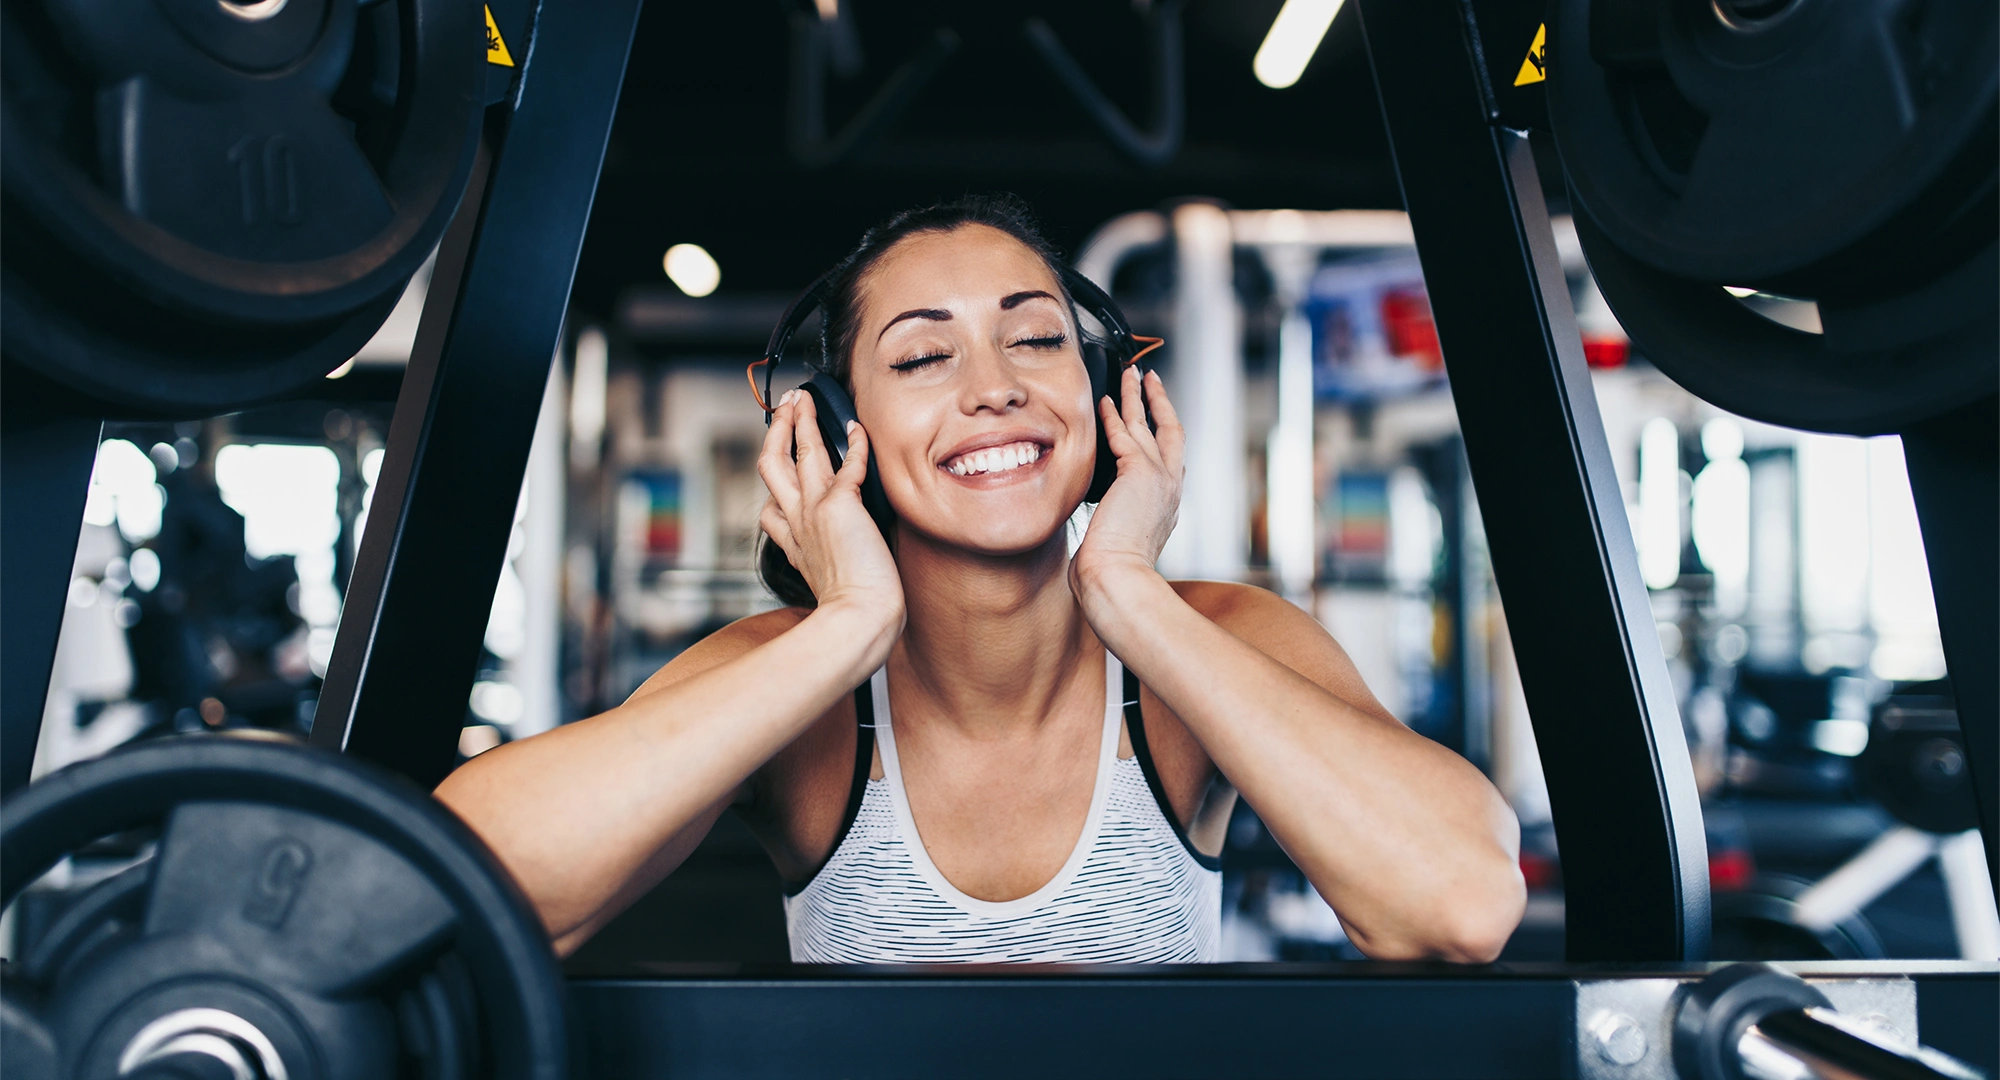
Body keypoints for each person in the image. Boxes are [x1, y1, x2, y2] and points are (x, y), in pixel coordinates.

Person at [436, 195, 1525, 963]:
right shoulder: (790, 682)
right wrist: (849, 623)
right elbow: (457, 893)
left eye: (1036, 341)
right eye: (920, 358)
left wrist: (1130, 592)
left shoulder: (1216, 639)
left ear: (1099, 395)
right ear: (830, 425)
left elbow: (1460, 905)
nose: (994, 389)